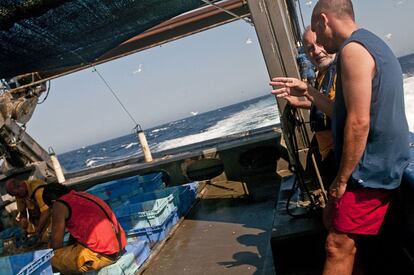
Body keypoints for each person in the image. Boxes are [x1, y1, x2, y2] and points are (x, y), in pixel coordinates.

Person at [270, 0, 410, 274]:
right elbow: (342, 112)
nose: (318, 42)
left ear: (324, 20)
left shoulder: (352, 52)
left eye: (317, 33)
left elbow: (358, 123)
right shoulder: (371, 44)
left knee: (337, 245)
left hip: (370, 170)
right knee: (331, 223)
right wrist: (308, 91)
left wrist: (341, 179)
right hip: (374, 166)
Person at [287, 26, 337, 186]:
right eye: (310, 48)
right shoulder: (323, 73)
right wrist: (300, 103)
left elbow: (342, 112)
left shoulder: (341, 71)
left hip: (341, 153)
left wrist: (308, 91)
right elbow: (326, 102)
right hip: (329, 154)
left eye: (320, 43)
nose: (316, 51)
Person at [42, 182, 127, 273]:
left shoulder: (59, 204)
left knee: (50, 262)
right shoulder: (80, 195)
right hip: (120, 247)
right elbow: (77, 233)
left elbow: (56, 245)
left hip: (105, 255)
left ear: (53, 202)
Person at [5, 177, 51, 242]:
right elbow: (23, 213)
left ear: (21, 186)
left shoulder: (38, 189)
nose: (17, 197)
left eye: (17, 194)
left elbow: (46, 212)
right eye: (15, 195)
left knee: (47, 239)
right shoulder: (19, 194)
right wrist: (23, 229)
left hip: (51, 219)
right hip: (37, 222)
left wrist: (37, 232)